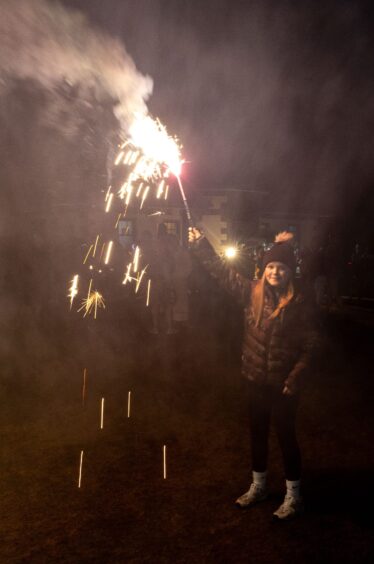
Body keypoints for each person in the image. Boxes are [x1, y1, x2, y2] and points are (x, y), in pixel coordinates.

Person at [189, 228, 318, 520]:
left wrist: (295, 378)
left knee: (286, 437)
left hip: (285, 386)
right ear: (263, 269)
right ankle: (258, 487)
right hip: (255, 380)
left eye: (281, 268)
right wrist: (200, 244)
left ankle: (293, 496)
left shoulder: (299, 303)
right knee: (257, 435)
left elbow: (311, 345)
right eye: (271, 267)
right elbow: (222, 273)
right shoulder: (252, 292)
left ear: (289, 272)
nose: (275, 272)